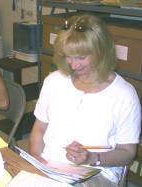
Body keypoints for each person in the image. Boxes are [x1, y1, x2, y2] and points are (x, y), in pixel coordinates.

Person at [29, 14, 141, 187]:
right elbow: (39, 128)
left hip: (97, 171)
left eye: (81, 58)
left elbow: (127, 152)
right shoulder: (54, 81)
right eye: (68, 56)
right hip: (49, 165)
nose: (73, 65)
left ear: (101, 52)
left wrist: (91, 157)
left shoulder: (124, 95)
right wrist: (36, 158)